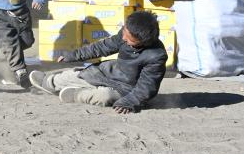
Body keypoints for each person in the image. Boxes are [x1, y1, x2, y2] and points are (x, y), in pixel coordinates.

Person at [29, 10, 167, 113]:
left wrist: (129, 102)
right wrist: (73, 55)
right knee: (76, 76)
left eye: (129, 39)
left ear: (142, 41)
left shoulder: (156, 56)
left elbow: (146, 88)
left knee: (104, 96)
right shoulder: (125, 33)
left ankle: (77, 94)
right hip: (108, 73)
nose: (124, 38)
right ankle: (48, 82)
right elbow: (101, 47)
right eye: (124, 32)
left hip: (126, 89)